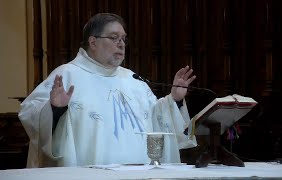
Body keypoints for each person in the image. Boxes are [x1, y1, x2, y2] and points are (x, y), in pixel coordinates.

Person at [19, 13, 197, 168]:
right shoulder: (67, 75)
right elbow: (29, 114)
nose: (121, 44)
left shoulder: (133, 80)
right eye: (114, 37)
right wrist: (55, 109)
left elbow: (156, 120)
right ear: (93, 42)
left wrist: (174, 100)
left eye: (123, 38)